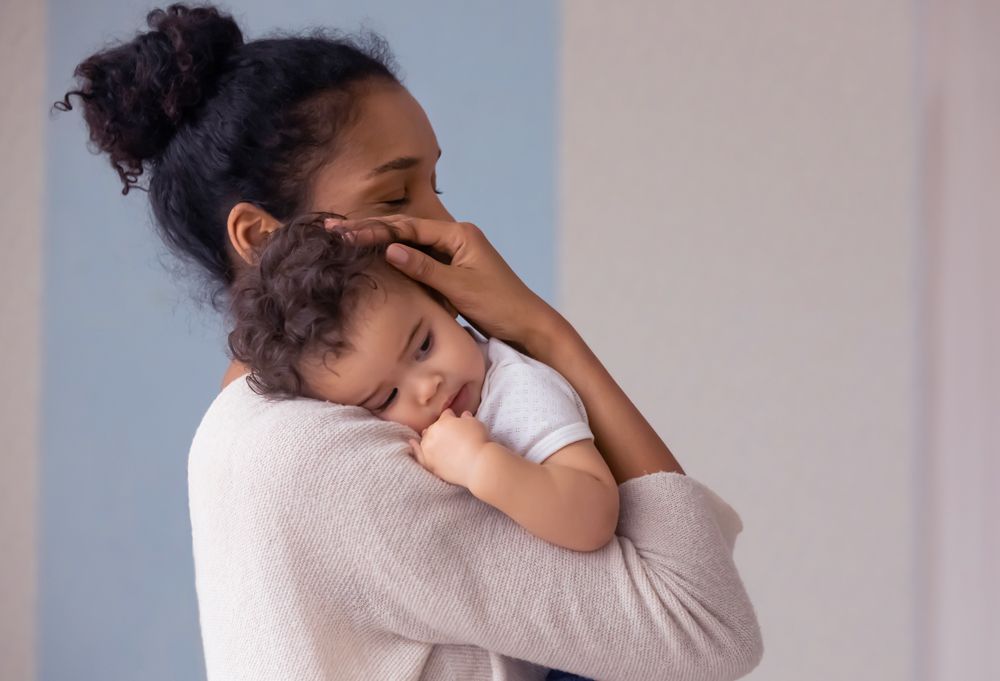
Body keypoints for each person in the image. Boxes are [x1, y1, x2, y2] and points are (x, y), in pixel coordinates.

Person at [57, 4, 764, 680]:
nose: (455, 229)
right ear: (262, 238)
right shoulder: (323, 459)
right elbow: (706, 624)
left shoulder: (262, 427)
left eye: (436, 185)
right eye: (396, 198)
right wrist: (545, 333)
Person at [226, 213, 620, 555]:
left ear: (444, 302)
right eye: (387, 398)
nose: (427, 387)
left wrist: (481, 465)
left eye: (424, 345)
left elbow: (595, 515)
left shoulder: (518, 391)